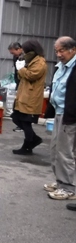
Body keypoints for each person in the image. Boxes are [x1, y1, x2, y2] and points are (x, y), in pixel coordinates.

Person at [44, 36, 76, 202]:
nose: (58, 54)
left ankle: (69, 188)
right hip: (59, 112)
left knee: (65, 152)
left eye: (61, 50)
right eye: (56, 51)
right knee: (55, 149)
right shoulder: (61, 67)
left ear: (73, 50)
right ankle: (60, 182)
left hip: (69, 115)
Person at [11, 40, 47, 155]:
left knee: (26, 122)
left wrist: (21, 69)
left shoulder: (40, 62)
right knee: (16, 117)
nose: (25, 54)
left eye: (26, 51)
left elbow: (32, 75)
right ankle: (34, 140)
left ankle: (27, 146)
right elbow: (22, 76)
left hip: (31, 97)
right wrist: (20, 68)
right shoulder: (30, 60)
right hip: (24, 94)